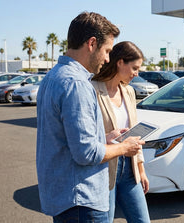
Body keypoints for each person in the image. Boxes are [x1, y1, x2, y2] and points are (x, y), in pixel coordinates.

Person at [36, 12, 144, 222]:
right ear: (92, 43)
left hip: (63, 198)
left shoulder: (52, 77)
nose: (107, 59)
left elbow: (66, 140)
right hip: (82, 202)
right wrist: (124, 147)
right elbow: (86, 154)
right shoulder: (77, 84)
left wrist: (105, 137)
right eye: (106, 51)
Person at [91, 41, 150, 222]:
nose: (136, 73)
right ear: (120, 62)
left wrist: (141, 169)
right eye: (134, 68)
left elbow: (134, 134)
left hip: (129, 171)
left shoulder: (129, 92)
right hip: (105, 170)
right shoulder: (93, 88)